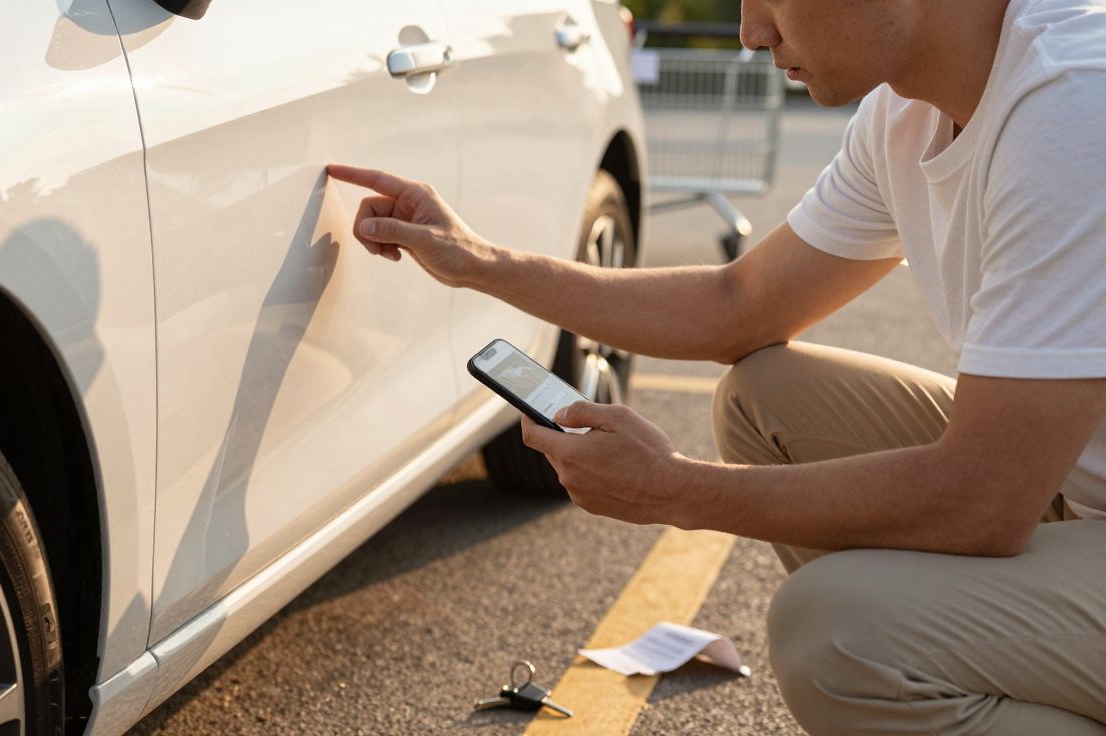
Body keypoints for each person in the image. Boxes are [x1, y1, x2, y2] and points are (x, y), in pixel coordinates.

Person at [327, 0, 1106, 731]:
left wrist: (677, 489)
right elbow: (739, 304)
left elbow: (983, 500)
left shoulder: (1074, 103)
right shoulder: (906, 112)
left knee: (835, 633)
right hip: (1072, 490)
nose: (750, 32)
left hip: (1036, 496)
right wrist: (481, 263)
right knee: (768, 398)